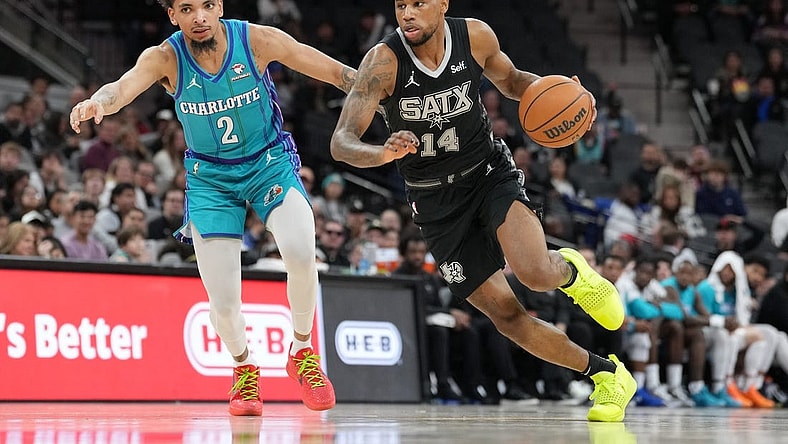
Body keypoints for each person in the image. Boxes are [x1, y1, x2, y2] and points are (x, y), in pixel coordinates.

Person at [330, 0, 635, 422]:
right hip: (435, 202)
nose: (407, 14)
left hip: (488, 173)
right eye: (401, 5)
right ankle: (607, 376)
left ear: (442, 5)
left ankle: (571, 273)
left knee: (533, 272)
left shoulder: (474, 36)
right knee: (508, 317)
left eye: (419, 4)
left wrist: (568, 94)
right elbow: (342, 141)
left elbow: (513, 81)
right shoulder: (383, 61)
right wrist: (381, 153)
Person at [69, 0, 356, 417]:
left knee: (299, 248)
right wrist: (99, 101)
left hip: (267, 161)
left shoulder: (254, 39)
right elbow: (124, 86)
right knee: (222, 300)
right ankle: (243, 368)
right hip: (211, 178)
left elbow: (322, 66)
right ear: (173, 16)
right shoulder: (164, 57)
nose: (199, 17)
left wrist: (363, 82)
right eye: (187, 9)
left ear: (219, 6)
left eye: (207, 5)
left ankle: (302, 353)